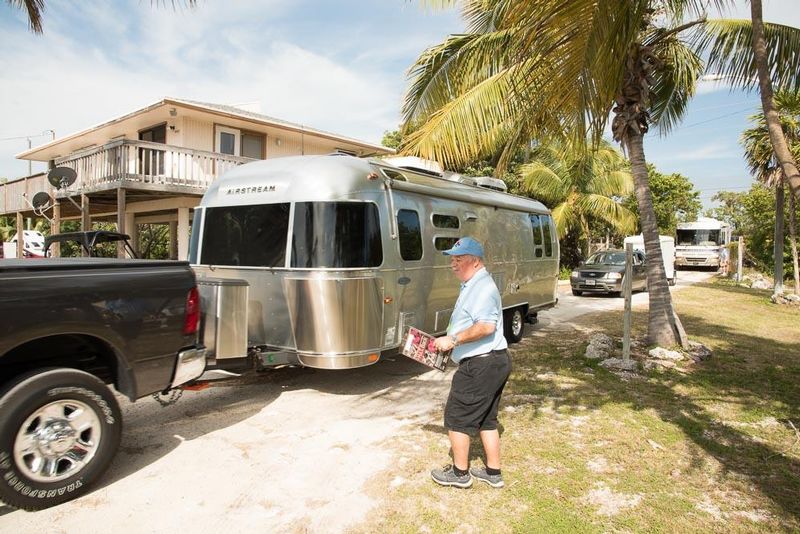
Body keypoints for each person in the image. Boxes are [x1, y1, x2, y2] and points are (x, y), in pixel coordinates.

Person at [430, 236, 512, 489]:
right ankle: (493, 473)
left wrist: (453, 339)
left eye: (458, 259)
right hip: (493, 361)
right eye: (452, 259)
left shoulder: (482, 288)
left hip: (480, 364)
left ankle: (460, 474)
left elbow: (486, 326)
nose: (453, 264)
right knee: (487, 419)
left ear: (475, 261)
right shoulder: (473, 284)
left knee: (456, 418)